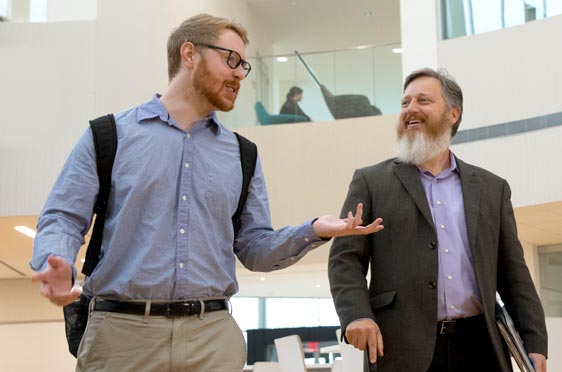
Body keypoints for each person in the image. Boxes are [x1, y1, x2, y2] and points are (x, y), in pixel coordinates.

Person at [30, 14, 384, 372]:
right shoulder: (108, 136)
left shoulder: (243, 154)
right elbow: (62, 217)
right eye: (231, 60)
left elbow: (253, 247)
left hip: (213, 338)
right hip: (121, 337)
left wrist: (314, 230)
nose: (239, 74)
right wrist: (54, 260)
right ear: (189, 54)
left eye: (243, 65)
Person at [328, 67, 548, 372]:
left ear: (453, 114)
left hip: (481, 347)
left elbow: (514, 274)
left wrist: (534, 342)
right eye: (405, 103)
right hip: (401, 348)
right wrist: (356, 314)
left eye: (423, 100)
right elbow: (345, 260)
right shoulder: (371, 182)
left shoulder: (492, 189)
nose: (410, 109)